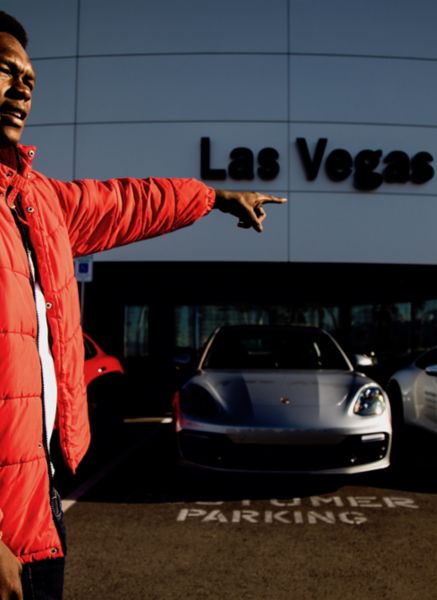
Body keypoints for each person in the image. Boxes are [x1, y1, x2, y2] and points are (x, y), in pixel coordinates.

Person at [0, 10, 286, 600]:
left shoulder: (41, 203)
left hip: (38, 514)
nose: (23, 87)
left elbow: (131, 202)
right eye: (5, 71)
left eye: (29, 78)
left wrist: (213, 197)